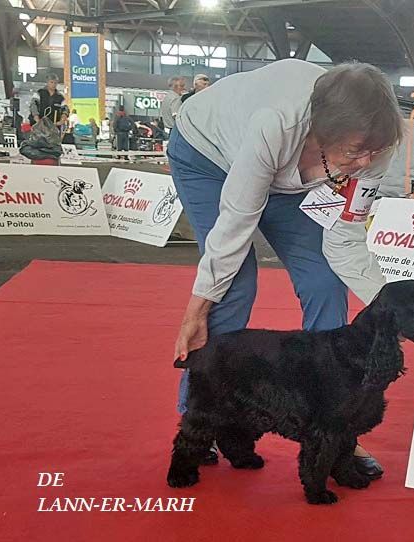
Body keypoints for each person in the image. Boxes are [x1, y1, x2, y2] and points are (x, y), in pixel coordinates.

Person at [167, 59, 402, 478]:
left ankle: (334, 419)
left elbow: (346, 240)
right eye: (355, 151)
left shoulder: (374, 144)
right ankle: (200, 418)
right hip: (207, 156)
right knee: (236, 284)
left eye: (373, 152)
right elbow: (236, 224)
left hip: (295, 180)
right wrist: (196, 310)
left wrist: (394, 310)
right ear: (321, 133)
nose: (366, 162)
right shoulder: (274, 122)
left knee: (324, 279)